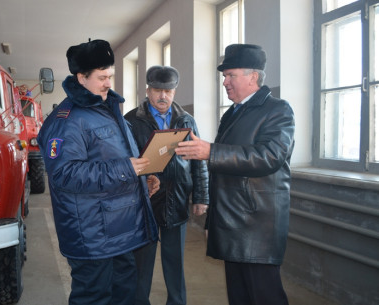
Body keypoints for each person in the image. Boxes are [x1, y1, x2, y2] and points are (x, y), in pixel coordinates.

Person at [37, 39, 159, 305]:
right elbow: (64, 174)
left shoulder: (109, 111)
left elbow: (117, 158)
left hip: (120, 229)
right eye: (102, 77)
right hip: (91, 235)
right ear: (81, 78)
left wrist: (140, 179)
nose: (108, 83)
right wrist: (125, 169)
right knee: (94, 297)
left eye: (110, 76)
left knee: (123, 294)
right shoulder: (67, 120)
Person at [175, 44, 295, 305]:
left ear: (253, 77)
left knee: (264, 295)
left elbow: (270, 157)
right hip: (231, 223)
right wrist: (213, 223)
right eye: (224, 77)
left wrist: (211, 151)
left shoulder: (277, 110)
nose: (225, 83)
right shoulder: (233, 112)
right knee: (239, 296)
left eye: (231, 76)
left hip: (256, 226)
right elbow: (224, 171)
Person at [124, 66, 209, 305]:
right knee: (142, 262)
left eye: (168, 90)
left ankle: (177, 302)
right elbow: (124, 162)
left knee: (175, 262)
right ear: (148, 90)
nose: (163, 96)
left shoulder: (186, 120)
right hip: (145, 201)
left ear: (174, 91)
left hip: (177, 197)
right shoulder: (131, 120)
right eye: (158, 90)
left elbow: (198, 160)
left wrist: (202, 197)